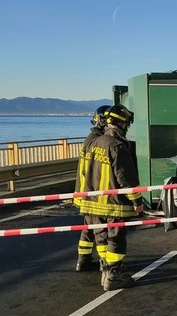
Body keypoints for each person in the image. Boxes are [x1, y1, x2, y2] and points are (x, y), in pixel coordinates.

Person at [77, 104, 144, 291]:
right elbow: (126, 180)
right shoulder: (117, 146)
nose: (127, 127)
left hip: (92, 203)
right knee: (116, 240)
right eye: (126, 124)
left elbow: (85, 172)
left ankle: (105, 271)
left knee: (101, 239)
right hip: (113, 205)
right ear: (121, 124)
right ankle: (114, 277)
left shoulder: (92, 143)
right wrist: (137, 202)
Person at [73, 105, 110, 272]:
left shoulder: (90, 138)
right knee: (100, 229)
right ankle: (105, 262)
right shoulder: (98, 141)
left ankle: (83, 259)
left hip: (83, 192)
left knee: (88, 228)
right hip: (92, 194)